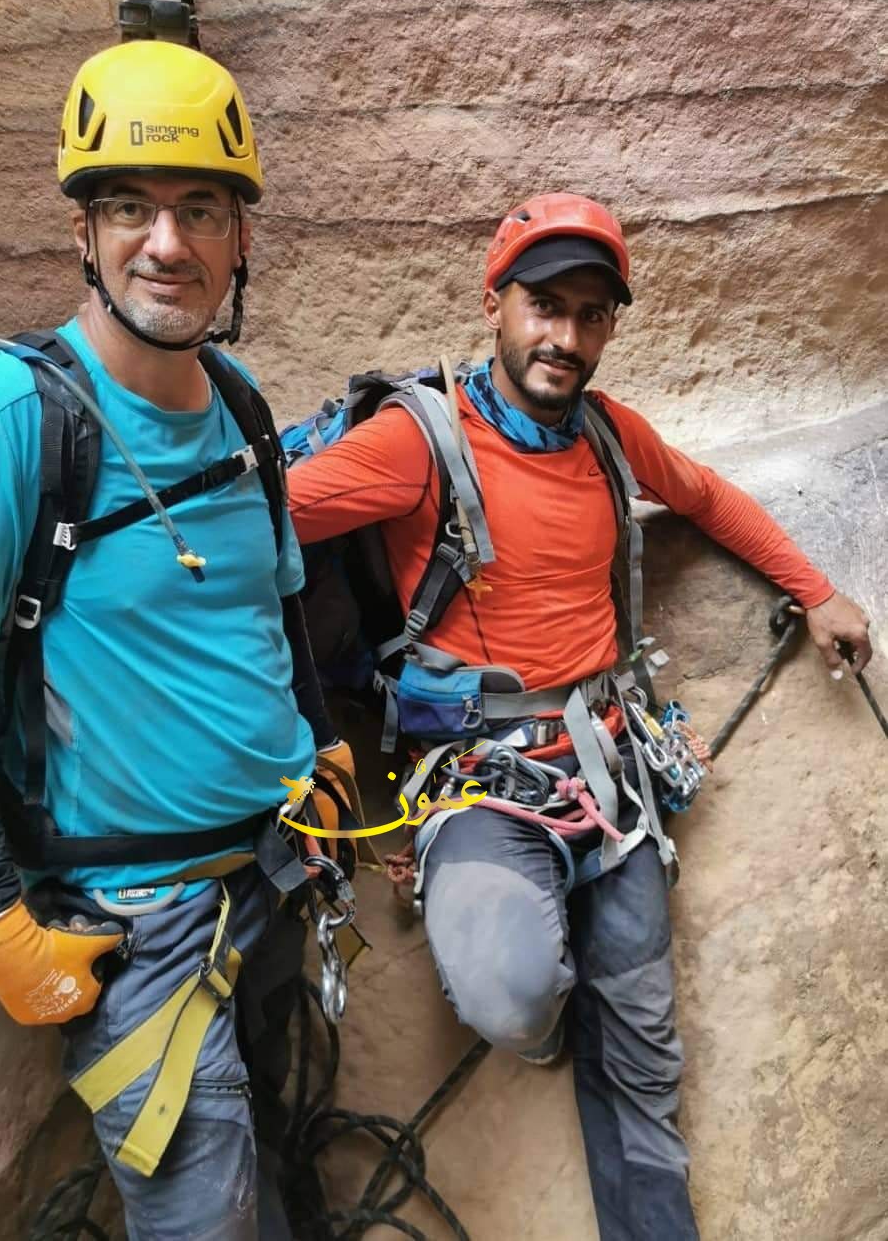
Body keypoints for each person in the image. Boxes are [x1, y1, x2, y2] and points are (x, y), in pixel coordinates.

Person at [286, 191, 873, 1239]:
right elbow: (264, 523)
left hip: (610, 770)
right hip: (480, 782)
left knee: (643, 1054)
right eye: (544, 306)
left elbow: (703, 496)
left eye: (590, 314)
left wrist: (815, 589)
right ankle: (556, 1019)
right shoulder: (420, 440)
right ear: (495, 305)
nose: (565, 336)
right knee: (510, 994)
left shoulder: (607, 433)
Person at [0, 35, 352, 1241]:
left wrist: (321, 747)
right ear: (82, 233)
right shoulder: (1, 416)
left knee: (283, 1171)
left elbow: (277, 605)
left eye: (202, 209)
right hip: (138, 932)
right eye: (131, 206)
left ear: (241, 240)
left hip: (276, 876)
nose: (167, 242)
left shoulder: (239, 400)